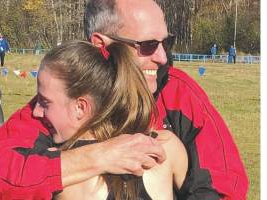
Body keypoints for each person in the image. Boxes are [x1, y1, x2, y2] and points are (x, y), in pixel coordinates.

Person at [83, 0, 248, 199]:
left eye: (166, 43)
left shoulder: (179, 93)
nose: (162, 57)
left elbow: (222, 185)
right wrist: (93, 157)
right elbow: (33, 172)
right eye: (147, 45)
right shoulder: (59, 95)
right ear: (101, 45)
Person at [32, 40, 187, 199]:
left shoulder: (52, 170)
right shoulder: (166, 146)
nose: (35, 112)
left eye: (44, 102)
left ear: (81, 107)